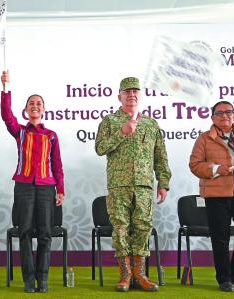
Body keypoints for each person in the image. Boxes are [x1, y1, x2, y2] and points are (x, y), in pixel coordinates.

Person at [95, 77, 171, 292]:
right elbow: (100, 148)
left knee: (143, 227)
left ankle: (140, 273)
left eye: (135, 91)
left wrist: (163, 183)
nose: (131, 95)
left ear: (140, 96)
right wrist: (122, 133)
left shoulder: (151, 124)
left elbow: (160, 157)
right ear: (119, 96)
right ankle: (125, 275)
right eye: (126, 92)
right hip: (119, 184)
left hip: (144, 185)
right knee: (120, 228)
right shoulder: (109, 121)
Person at [189, 101, 234, 292]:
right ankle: (224, 279)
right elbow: (195, 165)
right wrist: (215, 169)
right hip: (216, 192)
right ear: (212, 117)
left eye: (229, 112)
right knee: (220, 237)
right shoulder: (204, 139)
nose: (225, 116)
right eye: (220, 113)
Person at [0, 70, 64, 293]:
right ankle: (28, 279)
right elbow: (6, 115)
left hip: (47, 188)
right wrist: (6, 88)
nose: (35, 106)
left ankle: (43, 279)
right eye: (31, 104)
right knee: (25, 232)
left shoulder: (52, 135)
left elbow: (57, 166)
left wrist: (61, 190)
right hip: (24, 187)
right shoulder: (19, 132)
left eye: (38, 103)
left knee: (45, 233)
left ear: (43, 110)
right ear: (26, 110)